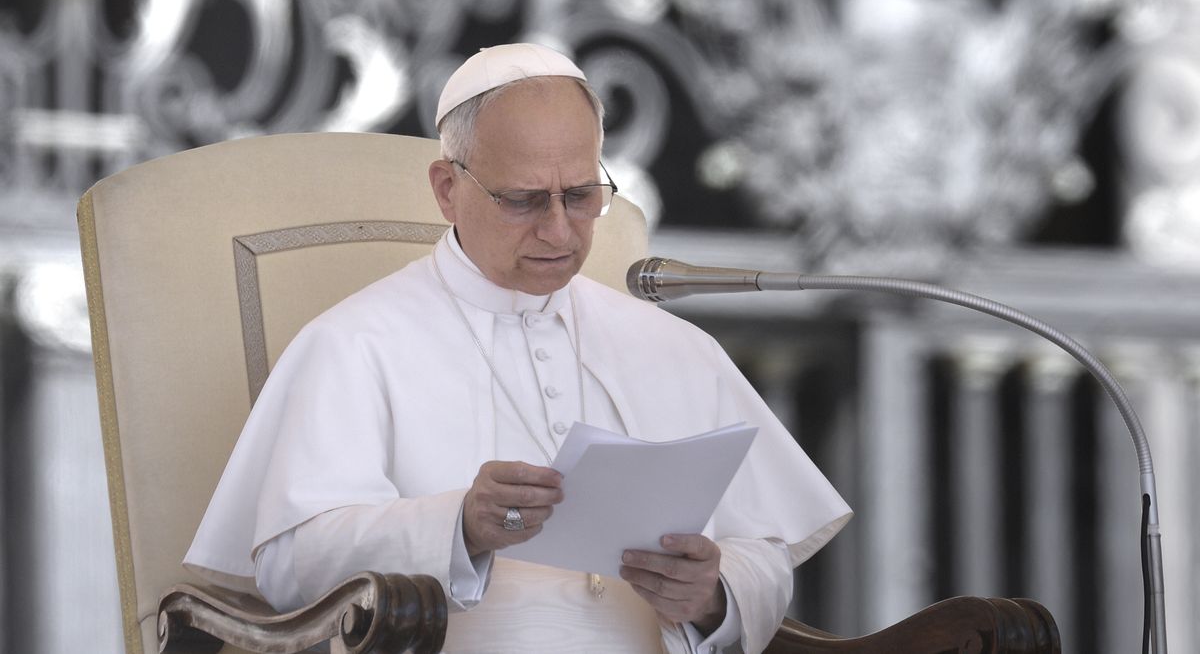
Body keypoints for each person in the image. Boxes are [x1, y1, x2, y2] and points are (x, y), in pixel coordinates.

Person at [185, 43, 851, 654]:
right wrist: (457, 526)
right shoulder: (353, 343)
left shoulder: (674, 346)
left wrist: (712, 593)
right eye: (525, 200)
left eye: (583, 195)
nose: (559, 229)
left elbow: (763, 550)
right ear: (448, 189)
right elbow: (288, 562)